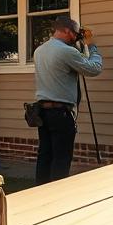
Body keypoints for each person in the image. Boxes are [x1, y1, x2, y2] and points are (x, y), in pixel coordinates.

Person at [32, 16, 102, 184]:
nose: (76, 37)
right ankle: (58, 195)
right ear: (66, 31)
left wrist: (80, 45)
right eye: (75, 34)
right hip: (61, 113)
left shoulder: (39, 50)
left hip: (42, 112)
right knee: (61, 158)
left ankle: (39, 192)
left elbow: (74, 63)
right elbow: (93, 69)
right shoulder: (66, 51)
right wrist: (91, 46)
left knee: (45, 155)